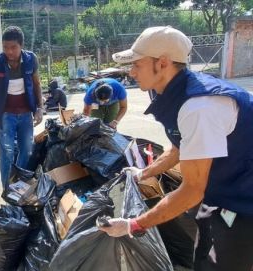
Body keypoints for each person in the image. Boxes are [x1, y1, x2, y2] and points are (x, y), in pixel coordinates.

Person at [97, 26, 253, 271]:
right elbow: (179, 149)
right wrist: (142, 174)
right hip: (222, 190)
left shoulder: (199, 107)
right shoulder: (176, 93)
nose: (132, 72)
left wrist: (134, 225)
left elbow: (192, 190)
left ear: (162, 63)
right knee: (203, 256)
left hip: (243, 199)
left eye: (137, 65)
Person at [0, 26, 43, 188]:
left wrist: (39, 108)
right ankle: (7, 189)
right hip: (5, 115)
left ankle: (19, 184)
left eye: (13, 47)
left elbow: (37, 84)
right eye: (5, 47)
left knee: (27, 151)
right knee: (7, 154)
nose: (9, 51)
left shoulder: (31, 59)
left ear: (21, 45)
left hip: (25, 115)